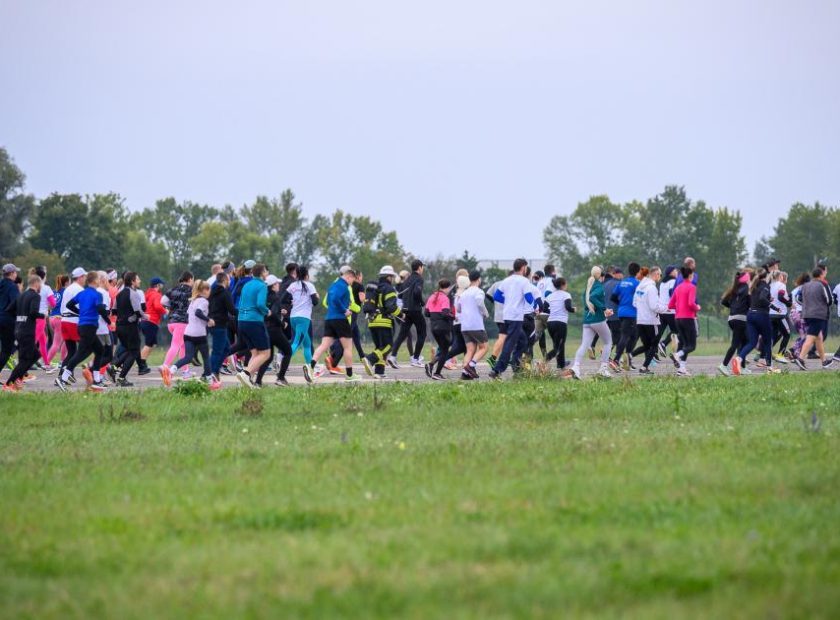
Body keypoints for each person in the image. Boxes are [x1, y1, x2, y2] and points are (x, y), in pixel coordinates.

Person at [55, 272, 110, 392]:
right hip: (89, 327)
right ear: (95, 281)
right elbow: (101, 308)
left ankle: (96, 380)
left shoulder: (82, 293)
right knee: (80, 353)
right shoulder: (97, 294)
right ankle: (63, 378)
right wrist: (109, 321)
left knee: (99, 350)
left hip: (82, 326)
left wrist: (81, 313)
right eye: (98, 279)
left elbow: (70, 305)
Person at [305, 269, 359, 383]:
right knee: (348, 347)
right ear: (349, 277)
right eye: (352, 281)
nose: (352, 283)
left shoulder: (333, 285)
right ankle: (349, 375)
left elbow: (329, 302)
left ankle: (311, 366)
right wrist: (344, 310)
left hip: (329, 319)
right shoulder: (343, 286)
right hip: (340, 319)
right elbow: (335, 299)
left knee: (324, 345)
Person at [161, 280, 218, 388]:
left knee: (188, 357)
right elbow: (198, 313)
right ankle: (210, 380)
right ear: (204, 290)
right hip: (199, 334)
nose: (210, 291)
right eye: (209, 289)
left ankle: (171, 371)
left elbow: (190, 315)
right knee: (206, 357)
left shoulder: (192, 301)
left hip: (188, 333)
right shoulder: (204, 301)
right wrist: (208, 320)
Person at [488, 259, 533, 379]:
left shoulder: (506, 280)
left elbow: (497, 296)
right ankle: (497, 370)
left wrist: (508, 301)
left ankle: (516, 363)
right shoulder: (524, 281)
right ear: (523, 268)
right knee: (509, 343)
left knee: (523, 340)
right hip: (516, 317)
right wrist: (535, 306)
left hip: (506, 315)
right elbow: (529, 297)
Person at [568, 266, 614, 379]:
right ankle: (603, 369)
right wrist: (605, 310)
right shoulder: (599, 286)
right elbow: (593, 298)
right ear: (601, 276)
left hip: (587, 320)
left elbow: (588, 305)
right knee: (608, 342)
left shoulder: (588, 287)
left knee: (584, 344)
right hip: (597, 320)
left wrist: (603, 311)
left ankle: (576, 367)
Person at [361, 266, 402, 378]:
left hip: (372, 321)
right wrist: (402, 314)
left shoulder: (375, 288)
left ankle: (380, 371)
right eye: (392, 277)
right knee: (388, 346)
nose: (392, 279)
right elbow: (391, 307)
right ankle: (370, 359)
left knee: (380, 347)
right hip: (384, 321)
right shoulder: (389, 289)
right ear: (389, 277)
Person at [234, 264, 272, 388]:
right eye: (266, 271)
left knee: (255, 353)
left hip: (241, 321)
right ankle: (245, 373)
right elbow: (260, 304)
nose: (267, 273)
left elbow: (241, 303)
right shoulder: (262, 286)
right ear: (262, 273)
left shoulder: (246, 284)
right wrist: (268, 311)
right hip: (254, 321)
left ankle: (247, 381)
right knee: (266, 354)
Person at [4, 275, 42, 392]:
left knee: (34, 355)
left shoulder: (21, 296)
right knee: (26, 360)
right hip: (27, 332)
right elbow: (33, 313)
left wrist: (19, 317)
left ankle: (18, 379)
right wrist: (43, 315)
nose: (40, 287)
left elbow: (9, 309)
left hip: (18, 330)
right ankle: (9, 383)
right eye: (40, 284)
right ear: (36, 283)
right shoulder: (35, 296)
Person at [737, 268, 777, 374]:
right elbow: (763, 298)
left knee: (752, 342)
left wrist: (767, 299)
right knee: (768, 341)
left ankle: (739, 358)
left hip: (750, 315)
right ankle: (769, 366)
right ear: (765, 276)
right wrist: (772, 306)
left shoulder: (753, 286)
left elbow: (757, 298)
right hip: (762, 315)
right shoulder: (765, 285)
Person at [793, 267, 834, 370]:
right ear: (821, 275)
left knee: (819, 337)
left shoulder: (805, 285)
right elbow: (829, 300)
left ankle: (824, 361)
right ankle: (800, 358)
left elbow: (799, 298)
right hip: (818, 314)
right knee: (811, 337)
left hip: (806, 314)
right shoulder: (822, 284)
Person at [256, 274, 293, 387]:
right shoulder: (276, 297)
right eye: (277, 283)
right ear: (273, 286)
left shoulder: (265, 296)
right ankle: (280, 378)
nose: (279, 285)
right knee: (288, 351)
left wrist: (279, 312)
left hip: (265, 329)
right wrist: (282, 323)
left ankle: (258, 382)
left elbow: (267, 312)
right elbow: (272, 314)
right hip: (275, 330)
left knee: (268, 356)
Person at [389, 259, 426, 368]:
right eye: (422, 267)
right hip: (415, 310)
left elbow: (400, 295)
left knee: (402, 334)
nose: (422, 269)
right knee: (422, 333)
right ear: (419, 267)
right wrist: (422, 302)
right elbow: (417, 292)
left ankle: (393, 356)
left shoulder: (407, 280)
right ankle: (415, 358)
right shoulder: (419, 279)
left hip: (405, 310)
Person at [110, 272, 146, 386]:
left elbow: (114, 311)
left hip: (119, 326)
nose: (140, 281)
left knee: (128, 350)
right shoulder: (134, 293)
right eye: (138, 279)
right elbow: (137, 312)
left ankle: (113, 367)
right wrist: (146, 316)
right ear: (132, 281)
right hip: (130, 327)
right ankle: (121, 378)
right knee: (135, 352)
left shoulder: (119, 294)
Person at [456, 270, 489, 380]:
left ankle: (465, 373)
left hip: (465, 326)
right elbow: (479, 302)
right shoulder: (479, 291)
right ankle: (471, 366)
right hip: (476, 325)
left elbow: (458, 309)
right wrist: (485, 313)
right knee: (484, 347)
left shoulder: (464, 293)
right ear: (479, 279)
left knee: (470, 350)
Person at [668, 265, 701, 377]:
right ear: (691, 275)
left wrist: (679, 307)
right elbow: (691, 303)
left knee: (684, 344)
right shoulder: (691, 287)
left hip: (678, 319)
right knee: (692, 346)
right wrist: (697, 308)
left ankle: (682, 369)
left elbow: (670, 304)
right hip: (688, 318)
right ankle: (677, 354)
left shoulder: (678, 287)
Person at [631, 267, 663, 375]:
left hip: (640, 320)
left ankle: (629, 355)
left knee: (646, 346)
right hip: (651, 321)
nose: (660, 277)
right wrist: (666, 308)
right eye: (660, 275)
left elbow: (634, 303)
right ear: (656, 274)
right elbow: (654, 307)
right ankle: (644, 367)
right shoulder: (652, 288)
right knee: (654, 345)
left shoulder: (640, 287)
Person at [719, 269, 751, 376]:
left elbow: (723, 301)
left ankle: (741, 367)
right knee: (736, 344)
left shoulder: (734, 289)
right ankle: (723, 365)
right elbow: (750, 304)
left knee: (745, 341)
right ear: (747, 279)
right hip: (741, 319)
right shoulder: (747, 289)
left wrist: (733, 307)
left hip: (732, 319)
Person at [611, 262, 641, 371]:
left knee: (633, 336)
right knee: (625, 336)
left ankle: (627, 360)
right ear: (638, 272)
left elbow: (613, 297)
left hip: (622, 312)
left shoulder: (622, 282)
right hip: (631, 314)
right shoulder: (637, 283)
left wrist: (622, 304)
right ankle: (616, 360)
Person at [58, 267, 87, 379]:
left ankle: (63, 374)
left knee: (71, 351)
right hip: (73, 321)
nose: (85, 279)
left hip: (64, 320)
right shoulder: (79, 290)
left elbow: (62, 307)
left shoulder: (68, 289)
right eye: (84, 276)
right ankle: (67, 373)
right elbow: (82, 307)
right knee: (85, 348)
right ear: (80, 277)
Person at [423, 279, 455, 379]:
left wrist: (434, 313)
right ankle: (436, 372)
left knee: (444, 348)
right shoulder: (445, 298)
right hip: (443, 327)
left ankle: (432, 365)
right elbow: (445, 313)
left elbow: (426, 313)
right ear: (447, 288)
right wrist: (454, 317)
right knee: (445, 350)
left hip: (433, 327)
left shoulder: (432, 297)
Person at [162, 272, 194, 369]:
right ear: (189, 279)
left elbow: (163, 301)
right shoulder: (192, 291)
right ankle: (165, 366)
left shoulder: (172, 289)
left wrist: (170, 307)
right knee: (175, 345)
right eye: (193, 279)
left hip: (171, 321)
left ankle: (186, 371)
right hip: (182, 322)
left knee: (183, 346)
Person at [288, 266, 319, 366]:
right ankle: (282, 362)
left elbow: (284, 298)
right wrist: (316, 297)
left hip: (293, 317)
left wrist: (292, 302)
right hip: (303, 318)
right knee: (296, 343)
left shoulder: (292, 285)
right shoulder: (309, 285)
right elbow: (315, 302)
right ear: (307, 275)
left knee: (307, 344)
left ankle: (310, 367)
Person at [208, 272, 236, 380]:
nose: (230, 281)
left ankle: (215, 371)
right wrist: (243, 312)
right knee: (217, 350)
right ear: (224, 280)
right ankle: (210, 372)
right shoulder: (225, 292)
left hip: (212, 324)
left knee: (226, 349)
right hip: (220, 325)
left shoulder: (211, 292)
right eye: (229, 279)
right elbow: (232, 310)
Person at [544, 276, 574, 370]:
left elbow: (545, 309)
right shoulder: (566, 295)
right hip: (560, 323)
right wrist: (574, 309)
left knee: (557, 344)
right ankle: (545, 359)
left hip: (550, 323)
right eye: (565, 283)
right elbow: (568, 307)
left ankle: (561, 364)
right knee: (559, 346)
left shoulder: (549, 296)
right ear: (562, 285)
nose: (566, 285)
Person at [137, 277, 166, 375]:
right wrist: (165, 311)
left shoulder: (148, 294)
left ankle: (142, 362)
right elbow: (157, 306)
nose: (162, 286)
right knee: (149, 344)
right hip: (151, 321)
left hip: (145, 321)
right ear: (157, 285)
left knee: (152, 343)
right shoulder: (156, 294)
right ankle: (141, 364)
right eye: (161, 284)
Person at [486, 270, 512, 370]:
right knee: (502, 337)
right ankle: (493, 358)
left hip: (498, 315)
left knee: (507, 337)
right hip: (506, 316)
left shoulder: (497, 284)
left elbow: (488, 294)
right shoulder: (511, 285)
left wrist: (496, 303)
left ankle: (506, 357)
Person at [31, 265, 54, 370]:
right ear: (44, 276)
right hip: (41, 317)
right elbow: (53, 303)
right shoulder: (46, 288)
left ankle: (46, 363)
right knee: (34, 340)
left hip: (31, 316)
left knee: (42, 341)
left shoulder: (31, 288)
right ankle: (27, 361)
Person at [0, 264, 21, 379]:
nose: (16, 274)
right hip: (8, 320)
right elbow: (16, 303)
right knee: (6, 351)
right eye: (15, 272)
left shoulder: (1, 284)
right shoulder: (12, 286)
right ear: (12, 273)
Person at [45, 274, 69, 370]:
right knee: (57, 343)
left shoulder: (54, 292)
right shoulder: (66, 292)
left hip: (52, 318)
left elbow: (50, 305)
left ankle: (62, 361)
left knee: (66, 340)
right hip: (60, 318)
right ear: (66, 282)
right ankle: (47, 363)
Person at [769, 271, 792, 364]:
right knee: (787, 334)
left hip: (771, 314)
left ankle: (766, 353)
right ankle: (780, 355)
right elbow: (780, 296)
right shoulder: (781, 285)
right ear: (781, 276)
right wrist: (789, 304)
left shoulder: (770, 285)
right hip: (780, 314)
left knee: (774, 335)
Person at [657, 265, 679, 357]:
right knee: (676, 330)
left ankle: (653, 349)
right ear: (671, 272)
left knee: (659, 332)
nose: (677, 272)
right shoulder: (673, 281)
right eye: (675, 270)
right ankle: (664, 344)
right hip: (671, 311)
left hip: (662, 311)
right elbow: (672, 293)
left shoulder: (662, 283)